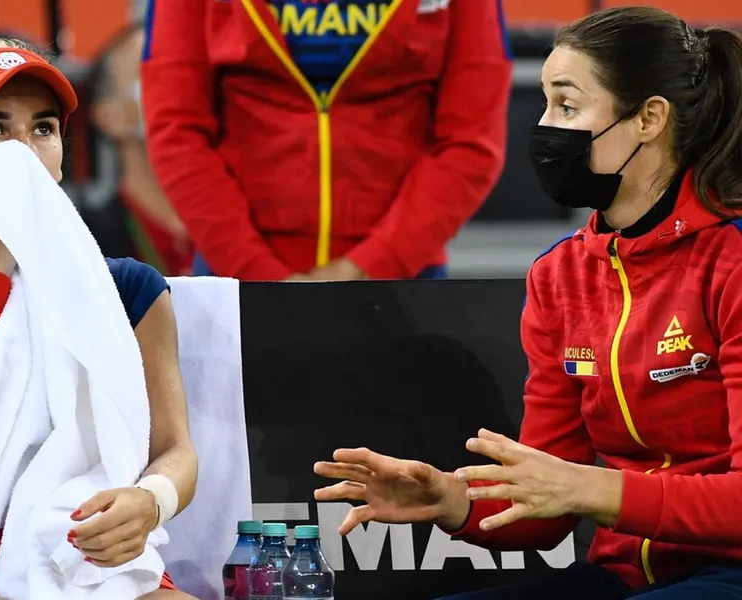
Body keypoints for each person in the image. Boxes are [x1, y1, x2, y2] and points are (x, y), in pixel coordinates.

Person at [314, 6, 742, 599]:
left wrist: (589, 489)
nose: (544, 127)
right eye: (544, 103)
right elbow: (547, 513)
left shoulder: (733, 260)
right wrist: (452, 500)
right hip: (620, 578)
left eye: (566, 106)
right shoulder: (559, 274)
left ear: (648, 118)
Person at [0, 38, 198, 599]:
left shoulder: (128, 285)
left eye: (42, 128)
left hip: (83, 546)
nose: (21, 151)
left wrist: (150, 500)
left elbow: (174, 451)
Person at [141, 0, 511, 281]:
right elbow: (178, 130)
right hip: (237, 274)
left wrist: (370, 266)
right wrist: (258, 273)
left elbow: (471, 141)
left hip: (400, 278)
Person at [86, 23, 193, 276]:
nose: (179, 87)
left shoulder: (242, 222)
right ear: (109, 117)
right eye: (153, 73)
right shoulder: (87, 242)